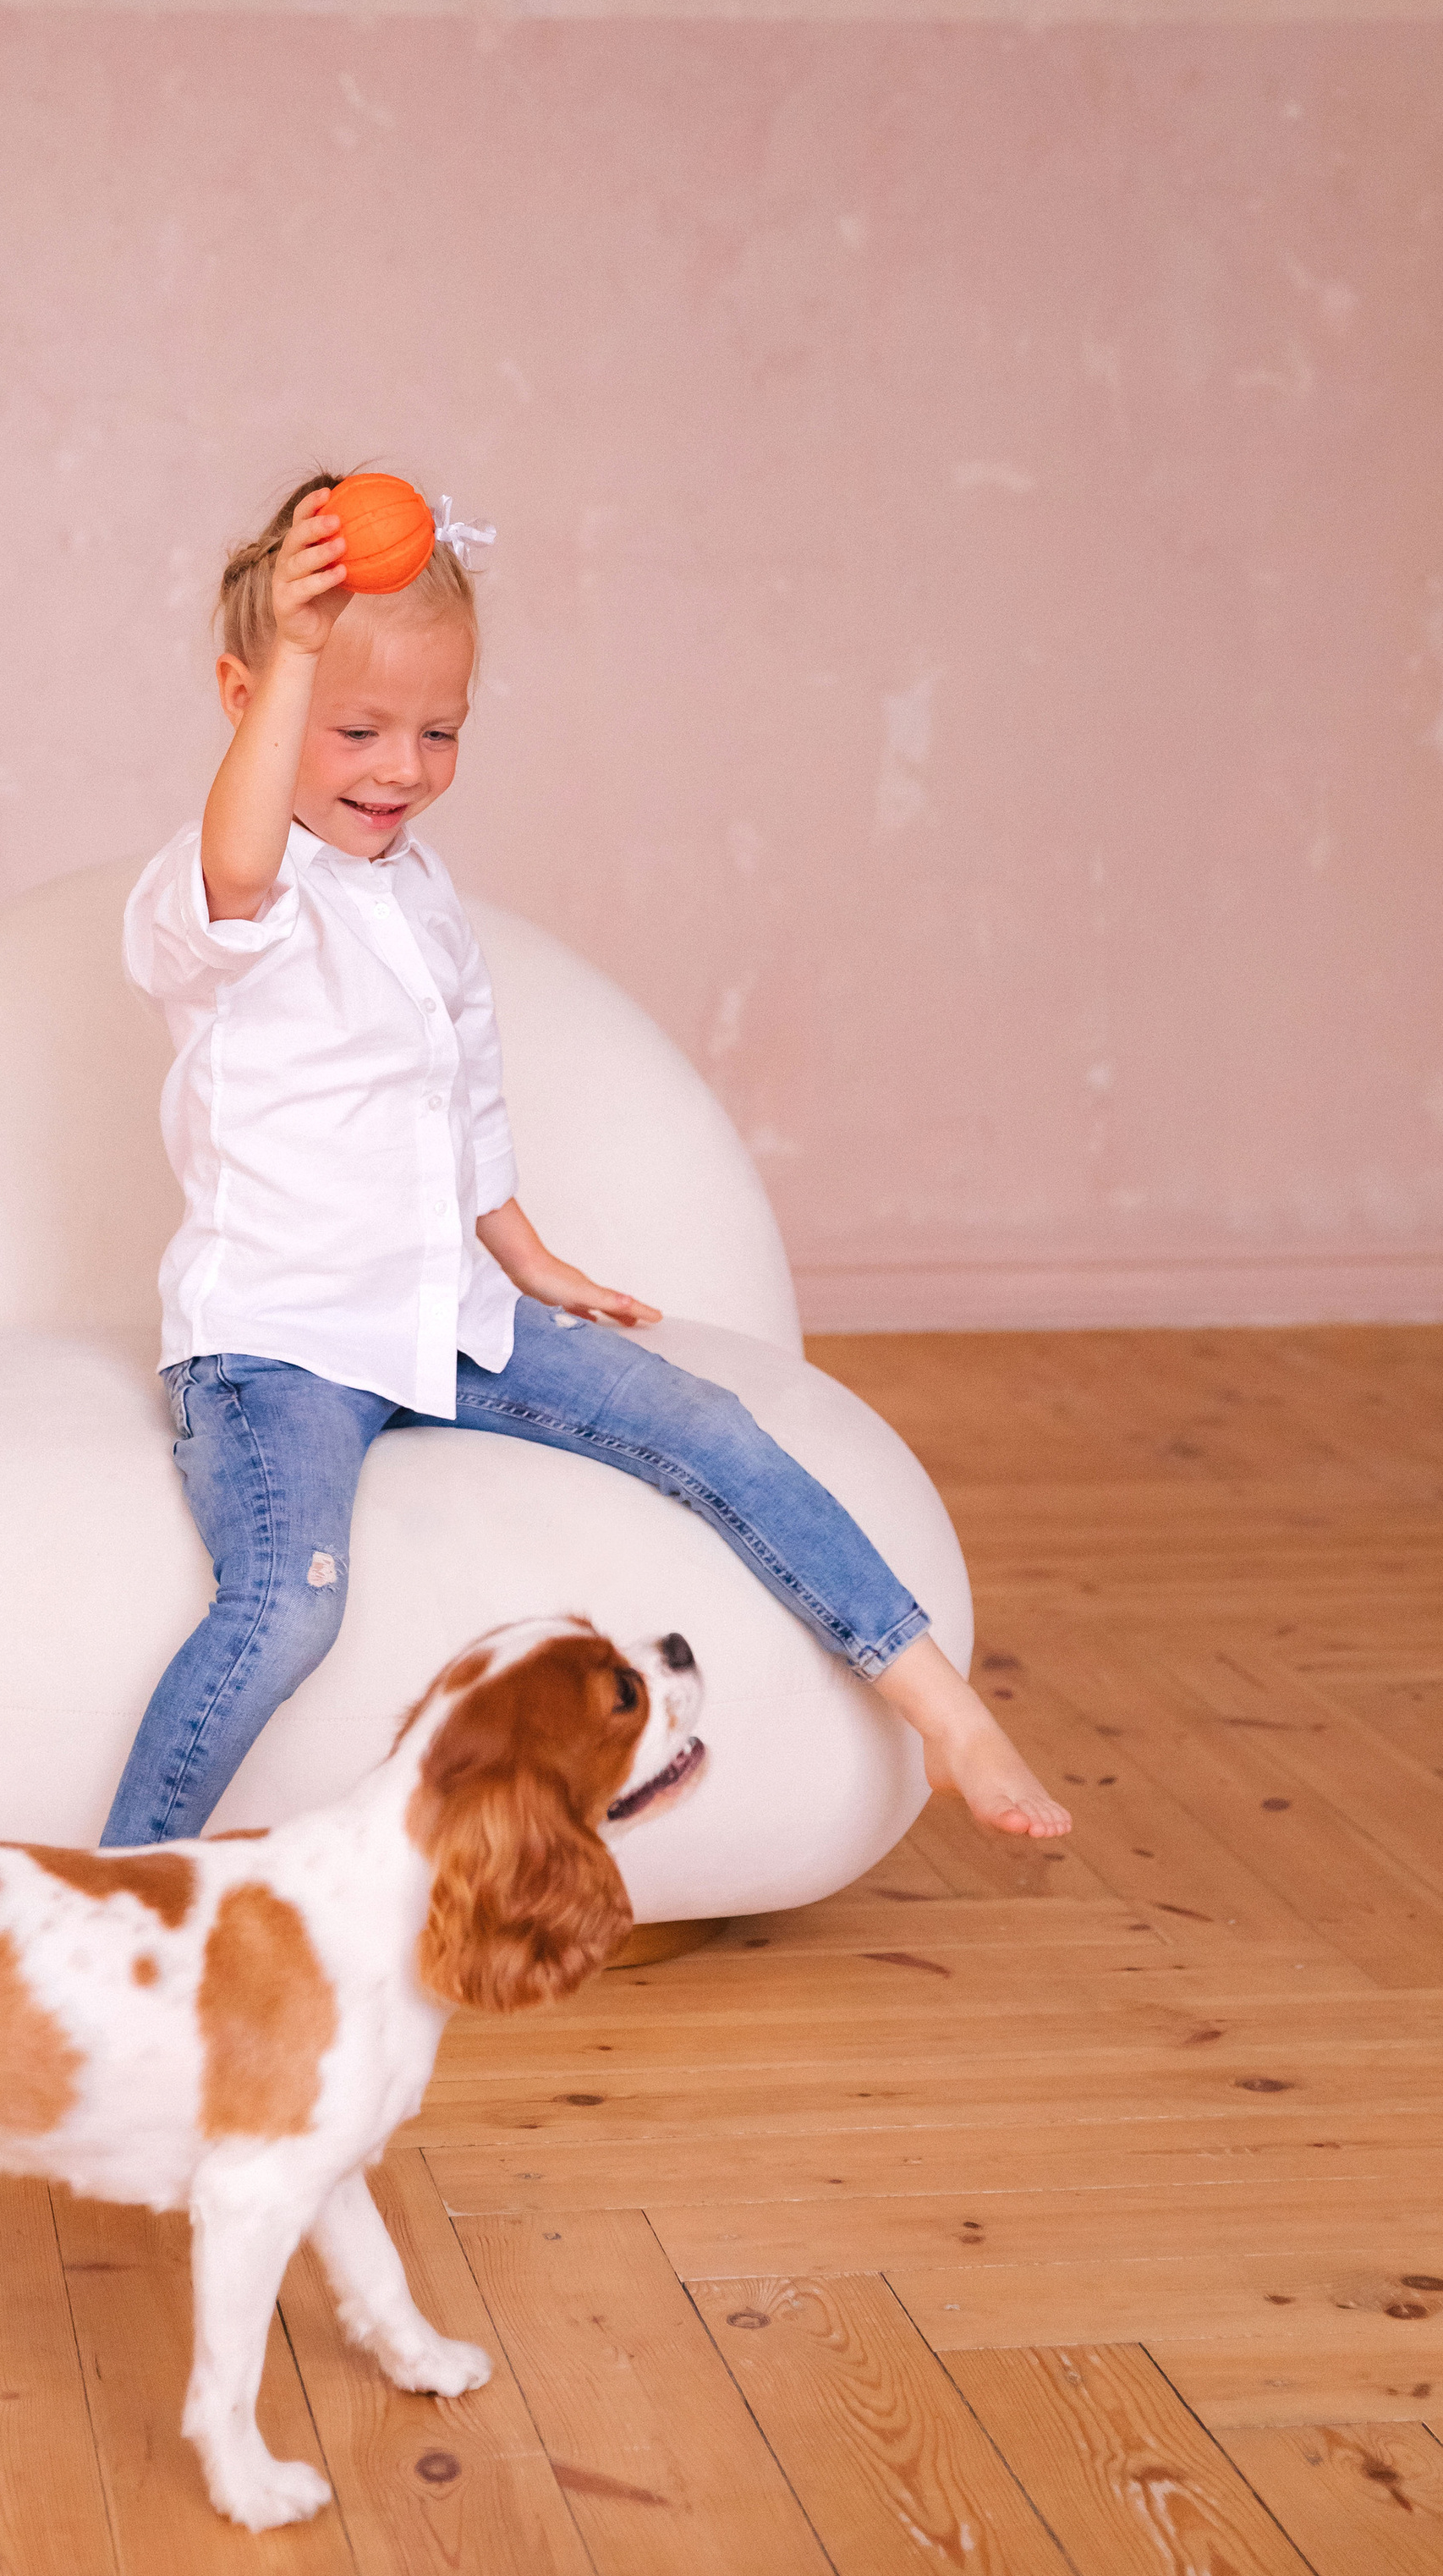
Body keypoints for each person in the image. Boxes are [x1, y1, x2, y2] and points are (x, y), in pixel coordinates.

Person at [102, 470, 1071, 1853]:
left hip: (447, 1320)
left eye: (440, 733)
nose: (402, 769)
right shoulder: (221, 899)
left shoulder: (419, 896)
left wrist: (523, 1251)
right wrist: (299, 651)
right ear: (243, 701)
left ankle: (942, 1707)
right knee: (289, 1602)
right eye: (355, 728)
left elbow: (458, 1097)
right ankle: (122, 1882)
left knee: (711, 1430)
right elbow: (241, 855)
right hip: (279, 1346)